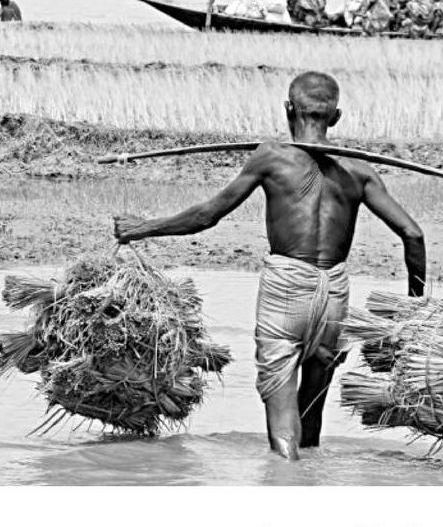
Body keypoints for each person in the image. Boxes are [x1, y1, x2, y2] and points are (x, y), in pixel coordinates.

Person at [113, 72, 426, 460]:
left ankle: (285, 477)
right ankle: (308, 477)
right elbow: (413, 235)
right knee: (311, 410)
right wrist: (413, 311)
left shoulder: (272, 157)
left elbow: (208, 215)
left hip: (287, 287)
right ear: (336, 117)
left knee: (281, 411)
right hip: (334, 294)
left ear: (288, 109)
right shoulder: (358, 171)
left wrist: (141, 229)